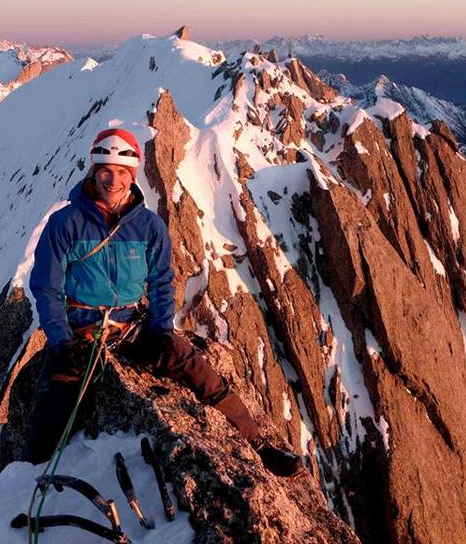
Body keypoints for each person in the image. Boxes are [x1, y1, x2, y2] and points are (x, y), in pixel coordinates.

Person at [25, 127, 304, 478]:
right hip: (82, 329)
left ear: (133, 176)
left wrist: (160, 329)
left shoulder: (148, 226)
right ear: (93, 173)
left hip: (129, 326)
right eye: (105, 172)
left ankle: (259, 445)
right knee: (53, 407)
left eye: (121, 173)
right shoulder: (64, 224)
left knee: (196, 369)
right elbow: (46, 288)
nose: (112, 181)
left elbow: (160, 282)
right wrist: (63, 342)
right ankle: (29, 477)